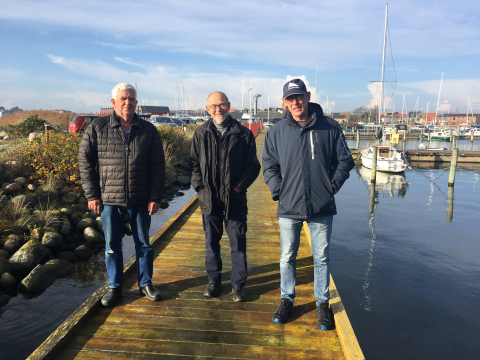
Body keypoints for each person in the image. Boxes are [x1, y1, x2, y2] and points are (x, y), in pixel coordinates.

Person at [262, 78, 354, 329]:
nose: (296, 102)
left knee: (321, 257)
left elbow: (345, 161)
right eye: (290, 98)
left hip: (321, 206)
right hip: (289, 206)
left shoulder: (330, 127)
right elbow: (269, 165)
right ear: (284, 102)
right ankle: (287, 299)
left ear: (308, 96)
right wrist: (278, 189)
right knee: (287, 256)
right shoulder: (276, 132)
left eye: (299, 96)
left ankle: (322, 304)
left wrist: (331, 187)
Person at [79, 83, 165, 307]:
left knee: (144, 245)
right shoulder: (97, 128)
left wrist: (155, 196)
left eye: (132, 99)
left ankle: (145, 283)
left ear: (137, 102)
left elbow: (157, 167)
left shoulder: (148, 130)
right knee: (111, 246)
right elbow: (85, 163)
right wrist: (92, 194)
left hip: (140, 197)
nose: (128, 102)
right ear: (113, 102)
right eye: (124, 98)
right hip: (108, 199)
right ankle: (114, 286)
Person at [189, 91, 260, 302]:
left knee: (237, 243)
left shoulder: (243, 134)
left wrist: (239, 187)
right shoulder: (200, 133)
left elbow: (252, 166)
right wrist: (199, 187)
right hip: (209, 199)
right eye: (213, 106)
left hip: (234, 199)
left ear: (229, 105)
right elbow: (193, 164)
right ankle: (214, 281)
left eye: (221, 105)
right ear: (207, 108)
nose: (218, 109)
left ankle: (238, 285)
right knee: (211, 242)